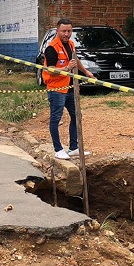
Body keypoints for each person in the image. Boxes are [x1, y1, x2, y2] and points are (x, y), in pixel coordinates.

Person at [43, 18, 96, 160]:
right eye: (64, 31)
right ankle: (58, 149)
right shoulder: (51, 48)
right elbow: (51, 70)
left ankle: (73, 147)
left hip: (70, 87)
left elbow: (75, 60)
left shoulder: (71, 44)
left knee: (76, 115)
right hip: (56, 89)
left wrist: (86, 72)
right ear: (57, 31)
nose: (67, 34)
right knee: (55, 119)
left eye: (69, 31)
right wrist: (67, 68)